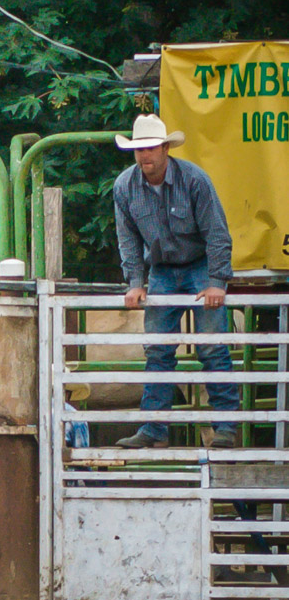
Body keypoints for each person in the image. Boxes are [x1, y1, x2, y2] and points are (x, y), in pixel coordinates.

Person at [111, 114, 239, 448]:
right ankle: (154, 429)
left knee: (212, 346)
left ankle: (226, 426)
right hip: (162, 268)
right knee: (158, 349)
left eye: (151, 148)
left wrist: (217, 281)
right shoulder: (124, 187)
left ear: (165, 149)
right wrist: (135, 281)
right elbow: (127, 239)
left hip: (200, 264)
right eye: (139, 149)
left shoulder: (194, 180)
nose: (145, 155)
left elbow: (216, 232)